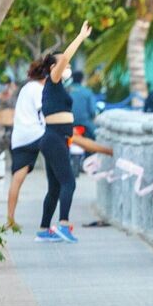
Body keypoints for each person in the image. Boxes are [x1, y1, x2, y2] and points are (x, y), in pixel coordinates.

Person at [35, 22, 93, 243]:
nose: (66, 66)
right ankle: (63, 225)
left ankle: (43, 229)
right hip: (53, 138)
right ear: (53, 67)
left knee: (55, 187)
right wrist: (79, 36)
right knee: (70, 182)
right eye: (62, 63)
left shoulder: (55, 86)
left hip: (55, 138)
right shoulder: (53, 78)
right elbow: (65, 59)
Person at [5, 59, 51, 229]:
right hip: (36, 134)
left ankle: (10, 218)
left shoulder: (25, 88)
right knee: (59, 169)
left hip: (19, 137)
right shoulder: (39, 89)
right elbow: (43, 112)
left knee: (17, 179)